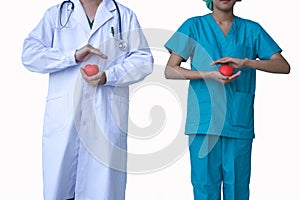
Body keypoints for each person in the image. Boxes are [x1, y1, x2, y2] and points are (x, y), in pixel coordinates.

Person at [22, 0, 153, 199]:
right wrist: (72, 57)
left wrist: (108, 76)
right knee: (61, 185)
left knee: (101, 189)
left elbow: (143, 60)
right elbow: (29, 54)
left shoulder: (123, 16)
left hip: (105, 117)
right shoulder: (57, 15)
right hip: (65, 117)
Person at [164, 0, 290, 199]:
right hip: (204, 122)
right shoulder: (193, 26)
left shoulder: (251, 30)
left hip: (237, 122)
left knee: (238, 190)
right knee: (204, 190)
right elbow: (170, 70)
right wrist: (208, 75)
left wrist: (246, 62)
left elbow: (283, 66)